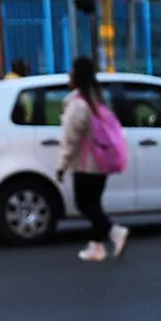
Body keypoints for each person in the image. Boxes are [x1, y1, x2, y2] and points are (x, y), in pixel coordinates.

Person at [56, 56, 129, 262]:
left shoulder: (78, 105)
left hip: (86, 164)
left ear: (77, 76)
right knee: (95, 204)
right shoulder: (97, 99)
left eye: (72, 71)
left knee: (84, 204)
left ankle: (114, 231)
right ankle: (97, 247)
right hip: (101, 161)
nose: (69, 75)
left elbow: (71, 139)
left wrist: (62, 165)